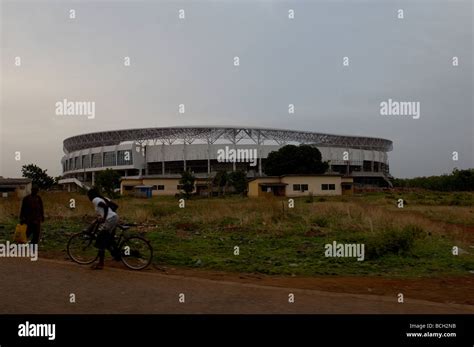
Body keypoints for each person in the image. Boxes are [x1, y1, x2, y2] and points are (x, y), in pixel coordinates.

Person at [87, 188, 119, 270]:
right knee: (109, 239)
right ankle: (117, 255)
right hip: (114, 218)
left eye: (88, 196)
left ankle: (100, 264)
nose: (88, 198)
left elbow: (104, 207)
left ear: (91, 195)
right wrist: (110, 214)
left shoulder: (95, 199)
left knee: (101, 239)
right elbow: (115, 206)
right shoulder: (104, 198)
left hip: (110, 220)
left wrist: (105, 218)